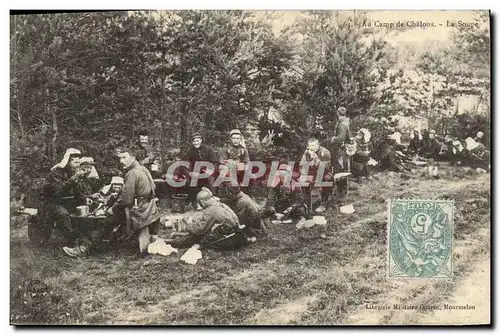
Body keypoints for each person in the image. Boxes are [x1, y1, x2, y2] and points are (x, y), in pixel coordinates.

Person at [63, 146, 161, 258]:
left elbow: (126, 200)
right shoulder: (142, 169)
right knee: (112, 219)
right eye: (120, 158)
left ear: (133, 157)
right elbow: (152, 188)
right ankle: (105, 243)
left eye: (124, 157)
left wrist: (112, 208)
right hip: (147, 207)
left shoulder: (132, 173)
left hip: (138, 211)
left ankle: (83, 250)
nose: (121, 161)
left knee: (106, 221)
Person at [40, 148, 95, 245]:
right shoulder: (56, 172)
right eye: (74, 159)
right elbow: (58, 190)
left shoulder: (74, 172)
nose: (77, 161)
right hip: (52, 202)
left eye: (78, 159)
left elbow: (76, 191)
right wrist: (74, 178)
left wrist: (86, 197)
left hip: (68, 202)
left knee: (87, 211)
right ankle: (72, 240)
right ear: (68, 160)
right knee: (63, 214)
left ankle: (86, 237)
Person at [170, 189, 248, 250]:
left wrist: (187, 226)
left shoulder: (211, 210)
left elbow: (198, 230)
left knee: (191, 238)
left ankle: (172, 242)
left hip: (226, 238)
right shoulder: (221, 205)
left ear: (202, 202)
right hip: (236, 234)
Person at [183, 133, 219, 208]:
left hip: (208, 170)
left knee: (211, 179)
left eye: (197, 141)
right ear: (192, 142)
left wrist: (211, 170)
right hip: (196, 171)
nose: (196, 143)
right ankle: (194, 201)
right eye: (194, 141)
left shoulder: (208, 149)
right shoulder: (190, 151)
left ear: (201, 140)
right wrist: (190, 173)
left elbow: (215, 162)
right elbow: (186, 164)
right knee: (191, 181)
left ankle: (213, 199)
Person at [299, 138, 332, 213]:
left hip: (324, 172)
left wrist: (315, 158)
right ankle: (306, 203)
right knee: (303, 180)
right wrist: (304, 174)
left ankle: (324, 203)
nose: (311, 148)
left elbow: (325, 168)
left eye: (313, 145)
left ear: (318, 144)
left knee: (327, 178)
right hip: (312, 173)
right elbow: (301, 166)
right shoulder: (307, 153)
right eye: (310, 146)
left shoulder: (325, 152)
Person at [330, 107, 351, 203]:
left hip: (340, 151)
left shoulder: (342, 124)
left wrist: (333, 139)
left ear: (338, 113)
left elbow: (341, 138)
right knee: (341, 171)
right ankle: (340, 195)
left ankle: (341, 196)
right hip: (341, 151)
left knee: (340, 172)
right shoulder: (345, 122)